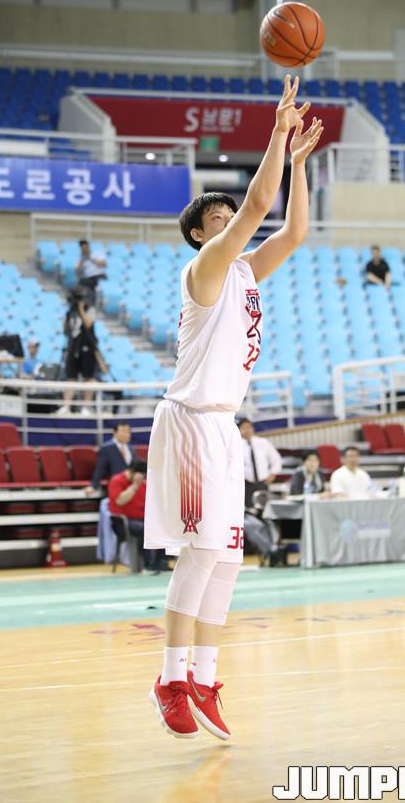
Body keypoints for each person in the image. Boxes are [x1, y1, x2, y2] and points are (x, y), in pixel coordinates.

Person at [143, 74, 323, 740]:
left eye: (228, 217)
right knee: (198, 555)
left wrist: (299, 164)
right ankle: (170, 679)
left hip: (222, 428)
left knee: (228, 558)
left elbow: (294, 231)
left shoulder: (245, 271)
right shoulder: (205, 270)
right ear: (199, 235)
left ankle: (206, 677)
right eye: (216, 220)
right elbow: (257, 208)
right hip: (191, 421)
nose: (230, 223)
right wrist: (276, 133)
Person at [108, 459, 170, 573]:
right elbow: (120, 501)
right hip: (123, 522)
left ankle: (161, 562)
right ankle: (148, 564)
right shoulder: (117, 480)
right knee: (144, 529)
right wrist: (134, 486)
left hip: (142, 519)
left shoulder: (143, 484)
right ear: (133, 472)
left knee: (163, 527)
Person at [57, 286, 100, 415]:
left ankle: (86, 407)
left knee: (88, 378)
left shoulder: (89, 309)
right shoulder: (70, 312)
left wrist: (81, 310)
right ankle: (66, 406)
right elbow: (65, 330)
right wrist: (70, 313)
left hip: (87, 348)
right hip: (73, 346)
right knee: (71, 377)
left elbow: (88, 324)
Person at [238, 417, 282, 508]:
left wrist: (273, 474)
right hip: (246, 484)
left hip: (263, 482)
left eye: (249, 427)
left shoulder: (263, 443)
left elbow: (276, 459)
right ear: (239, 430)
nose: (247, 430)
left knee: (265, 508)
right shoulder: (237, 445)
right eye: (244, 428)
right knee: (249, 509)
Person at [85, 422, 136, 495]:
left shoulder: (131, 448)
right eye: (123, 431)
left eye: (128, 431)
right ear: (115, 433)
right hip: (115, 487)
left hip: (130, 487)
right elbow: (100, 468)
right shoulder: (106, 448)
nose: (126, 434)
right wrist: (93, 486)